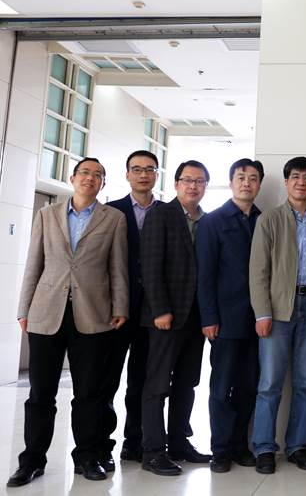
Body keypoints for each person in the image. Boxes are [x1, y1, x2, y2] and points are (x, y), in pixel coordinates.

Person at [8, 158, 128, 487]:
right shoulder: (47, 215)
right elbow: (34, 262)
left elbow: (117, 267)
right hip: (46, 312)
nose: (91, 178)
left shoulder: (113, 219)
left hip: (93, 315)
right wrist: (24, 308)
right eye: (85, 173)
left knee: (89, 393)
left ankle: (86, 457)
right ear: (72, 178)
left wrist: (120, 306)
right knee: (40, 393)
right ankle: (32, 461)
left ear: (103, 183)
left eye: (98, 175)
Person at [249, 156, 306, 474]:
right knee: (270, 383)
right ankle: (264, 448)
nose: (301, 182)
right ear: (286, 182)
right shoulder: (270, 218)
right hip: (278, 308)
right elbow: (258, 270)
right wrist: (262, 312)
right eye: (295, 176)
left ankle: (297, 446)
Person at [140, 160, 212, 476]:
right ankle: (153, 452)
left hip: (195, 317)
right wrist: (160, 309)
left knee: (187, 383)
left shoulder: (206, 221)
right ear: (176, 184)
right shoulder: (161, 214)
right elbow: (150, 266)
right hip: (166, 317)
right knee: (157, 385)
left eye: (200, 181)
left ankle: (179, 443)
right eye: (188, 180)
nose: (193, 186)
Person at [196, 159, 264, 473]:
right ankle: (220, 449)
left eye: (253, 178)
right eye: (241, 177)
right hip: (225, 319)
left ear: (259, 184)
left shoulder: (264, 220)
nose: (246, 183)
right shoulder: (213, 221)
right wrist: (209, 317)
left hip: (259, 319)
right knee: (222, 387)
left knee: (249, 386)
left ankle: (240, 446)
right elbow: (205, 274)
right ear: (231, 182)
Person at [101, 150, 163, 468]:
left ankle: (134, 442)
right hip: (116, 309)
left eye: (149, 169)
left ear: (156, 175)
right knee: (107, 379)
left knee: (141, 380)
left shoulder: (167, 212)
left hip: (152, 312)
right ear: (127, 174)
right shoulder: (110, 211)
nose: (143, 174)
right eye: (136, 169)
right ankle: (102, 445)